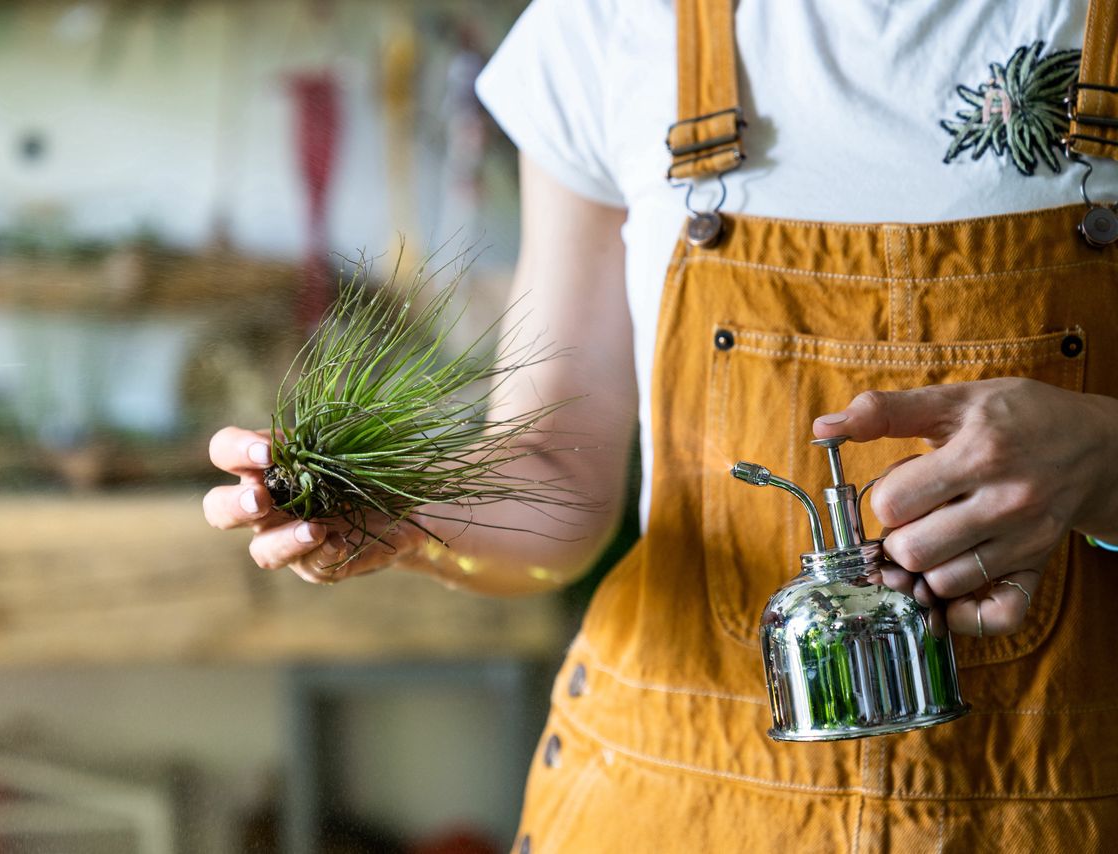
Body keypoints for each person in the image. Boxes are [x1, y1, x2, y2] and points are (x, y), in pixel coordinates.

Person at [205, 0, 1118, 848]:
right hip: (680, 802)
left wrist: (1107, 462)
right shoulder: (608, 24)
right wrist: (414, 519)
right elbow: (555, 469)